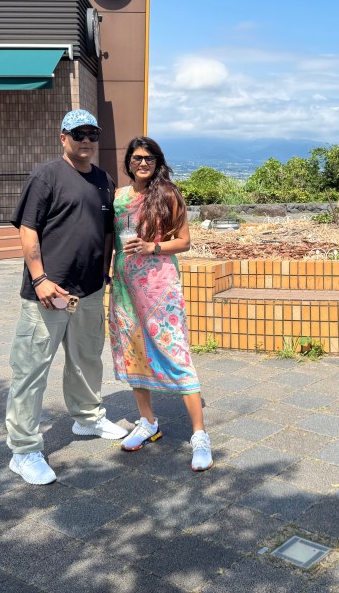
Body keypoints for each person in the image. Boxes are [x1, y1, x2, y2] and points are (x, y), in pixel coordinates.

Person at [5, 109, 129, 485]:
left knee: (86, 359)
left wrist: (104, 274)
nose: (86, 140)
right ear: (63, 138)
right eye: (79, 134)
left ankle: (87, 418)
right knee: (31, 370)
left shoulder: (103, 180)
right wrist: (40, 278)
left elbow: (106, 233)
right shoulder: (47, 175)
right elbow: (28, 229)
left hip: (89, 291)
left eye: (92, 134)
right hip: (50, 293)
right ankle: (23, 450)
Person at [108, 136, 212, 471]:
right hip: (124, 287)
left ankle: (199, 435)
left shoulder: (167, 194)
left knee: (175, 352)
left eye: (149, 158)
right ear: (128, 161)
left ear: (157, 162)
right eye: (137, 158)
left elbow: (184, 241)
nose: (143, 163)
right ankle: (148, 421)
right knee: (134, 350)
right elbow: (112, 240)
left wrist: (152, 247)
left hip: (159, 288)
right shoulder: (119, 197)